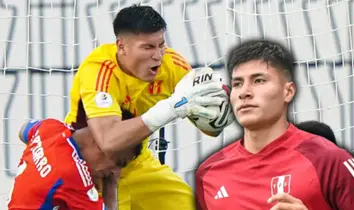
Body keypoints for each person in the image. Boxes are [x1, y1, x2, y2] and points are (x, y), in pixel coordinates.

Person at [64, 4, 231, 210]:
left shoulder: (173, 65)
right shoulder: (99, 70)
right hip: (93, 171)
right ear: (121, 46)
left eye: (161, 45)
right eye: (148, 47)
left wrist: (220, 110)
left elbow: (211, 128)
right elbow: (109, 141)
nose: (158, 55)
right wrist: (172, 108)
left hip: (137, 164)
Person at [195, 39, 354, 210]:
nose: (244, 93)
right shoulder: (209, 174)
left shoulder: (329, 159)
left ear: (288, 92)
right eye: (237, 84)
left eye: (258, 81)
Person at [8, 109, 140, 210]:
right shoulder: (75, 176)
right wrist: (111, 185)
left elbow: (24, 130)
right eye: (119, 162)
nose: (116, 172)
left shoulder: (50, 128)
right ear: (102, 143)